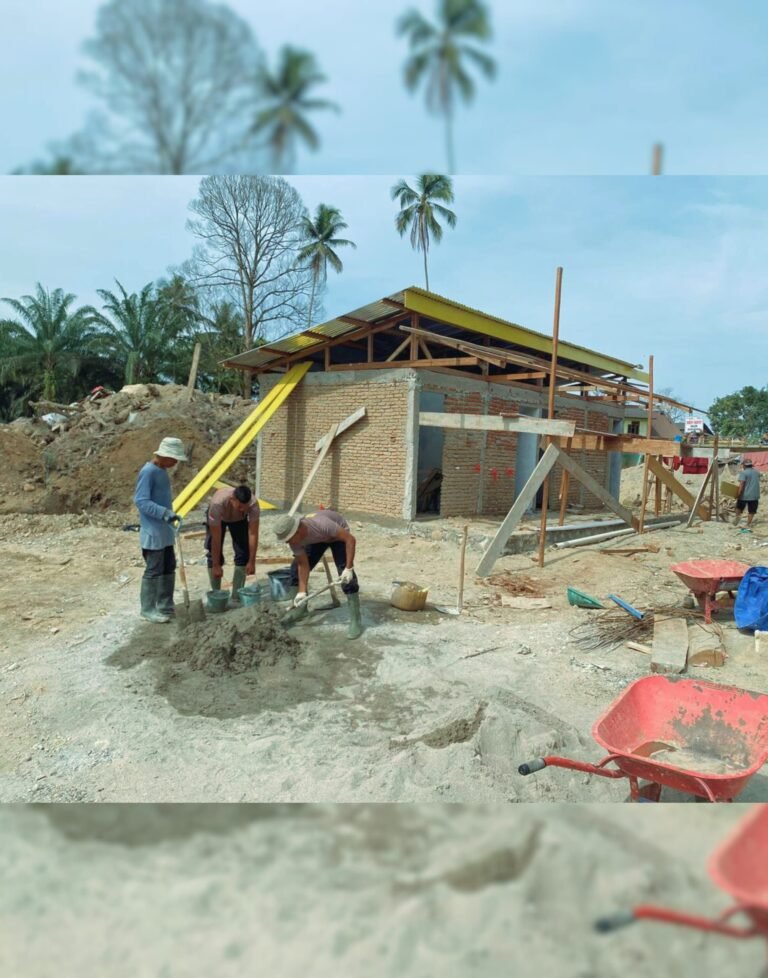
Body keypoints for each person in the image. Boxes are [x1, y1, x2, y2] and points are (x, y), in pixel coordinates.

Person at [273, 509, 362, 639]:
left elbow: (350, 540)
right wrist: (301, 591)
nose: (288, 543)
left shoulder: (322, 524)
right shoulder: (294, 541)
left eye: (289, 539)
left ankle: (356, 619)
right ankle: (301, 609)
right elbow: (303, 564)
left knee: (346, 577)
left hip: (336, 535)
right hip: (319, 539)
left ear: (297, 531)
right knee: (294, 570)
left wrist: (349, 568)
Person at [133, 437, 188, 623]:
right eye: (174, 459)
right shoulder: (148, 472)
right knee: (154, 570)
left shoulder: (162, 471)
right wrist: (164, 513)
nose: (175, 463)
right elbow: (141, 501)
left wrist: (170, 515)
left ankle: (165, 605)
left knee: (168, 567)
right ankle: (148, 609)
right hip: (153, 532)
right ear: (163, 455)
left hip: (164, 531)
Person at [205, 485, 259, 605]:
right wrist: (216, 564)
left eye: (245, 508)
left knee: (243, 553)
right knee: (213, 554)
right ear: (232, 499)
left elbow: (253, 534)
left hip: (239, 521)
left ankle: (237, 594)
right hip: (220, 518)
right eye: (239, 507)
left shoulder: (253, 505)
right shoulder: (217, 505)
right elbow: (216, 539)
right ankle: (217, 595)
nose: (242, 510)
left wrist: (252, 561)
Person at [734, 458, 760, 529]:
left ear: (744, 466)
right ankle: (748, 524)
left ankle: (737, 518)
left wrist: (738, 494)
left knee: (738, 507)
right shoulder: (757, 472)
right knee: (752, 511)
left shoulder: (744, 473)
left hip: (744, 495)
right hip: (755, 495)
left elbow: (742, 484)